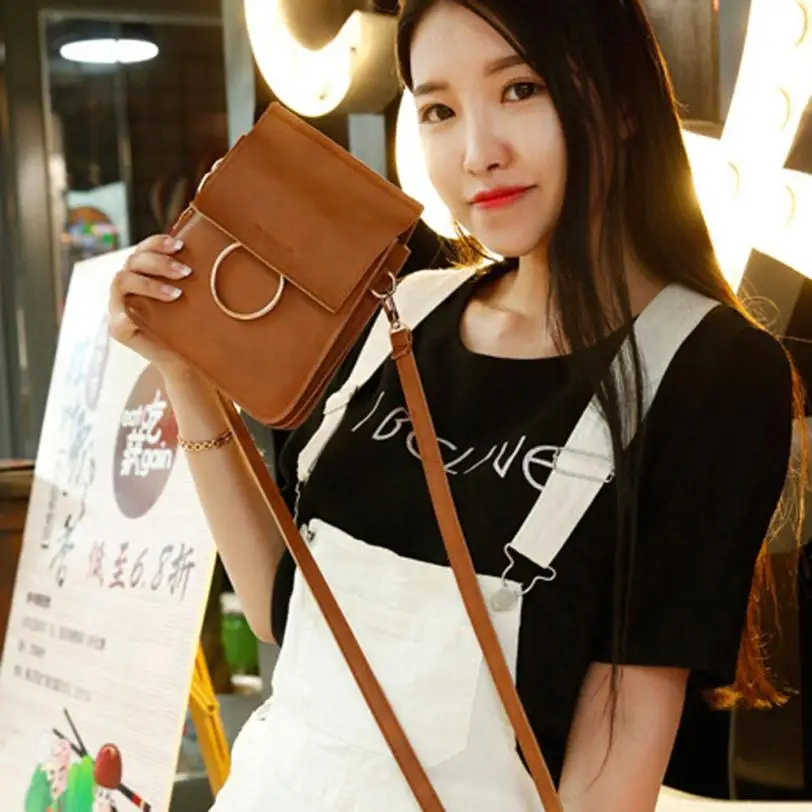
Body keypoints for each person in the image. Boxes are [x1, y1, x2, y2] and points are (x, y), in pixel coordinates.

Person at [107, 1, 802, 809]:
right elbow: (281, 612)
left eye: (521, 90)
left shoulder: (711, 371)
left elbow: (619, 745)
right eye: (439, 110)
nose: (479, 153)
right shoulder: (400, 314)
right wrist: (185, 376)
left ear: (620, 102)